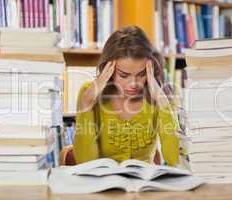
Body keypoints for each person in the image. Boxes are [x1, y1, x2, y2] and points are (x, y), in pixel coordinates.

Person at [73, 26, 179, 166]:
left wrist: (162, 101)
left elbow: (175, 160)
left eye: (141, 74)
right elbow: (85, 164)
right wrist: (86, 104)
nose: (133, 84)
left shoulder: (157, 95)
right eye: (123, 75)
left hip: (143, 185)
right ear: (108, 69)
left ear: (150, 69)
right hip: (104, 185)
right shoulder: (89, 93)